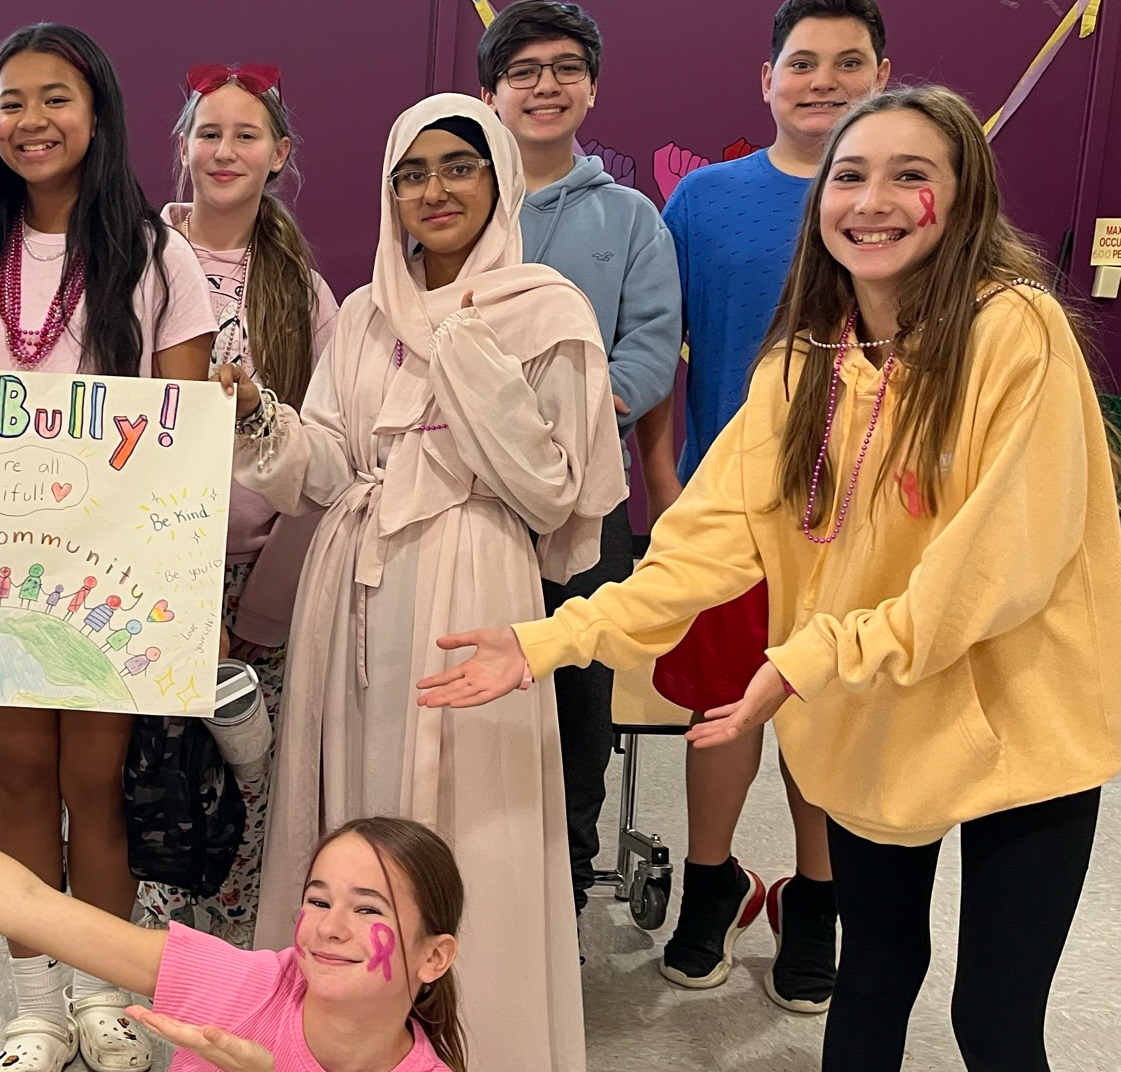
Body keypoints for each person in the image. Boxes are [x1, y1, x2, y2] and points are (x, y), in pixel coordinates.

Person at [417, 85, 1121, 1072]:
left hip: (1019, 714)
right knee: (872, 972)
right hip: (876, 713)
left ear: (961, 200)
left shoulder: (1016, 330)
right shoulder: (799, 370)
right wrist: (546, 639)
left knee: (993, 1020)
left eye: (909, 175)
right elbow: (699, 549)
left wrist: (808, 655)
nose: (871, 200)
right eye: (849, 176)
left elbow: (992, 565)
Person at [215, 93, 622, 1072]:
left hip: (472, 581)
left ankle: (478, 1044)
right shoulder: (360, 313)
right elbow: (324, 464)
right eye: (411, 172)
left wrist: (470, 364)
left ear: (498, 180)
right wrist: (256, 413)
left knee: (467, 821)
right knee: (356, 807)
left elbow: (557, 492)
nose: (432, 191)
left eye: (457, 167)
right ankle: (347, 1039)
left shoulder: (543, 310)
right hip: (351, 590)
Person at [0, 22, 214, 1072]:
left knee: (94, 783)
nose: (31, 120)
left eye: (55, 98)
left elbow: (183, 428)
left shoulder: (152, 251)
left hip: (110, 573)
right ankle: (32, 997)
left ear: (96, 113)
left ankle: (99, 989)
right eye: (11, 102)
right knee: (14, 776)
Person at [0, 728, 470, 1072]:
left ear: (434, 956)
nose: (330, 929)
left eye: (370, 909)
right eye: (317, 900)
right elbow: (27, 903)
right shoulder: (251, 984)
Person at [644, 0, 889, 1012]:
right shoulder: (701, 201)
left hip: (863, 519)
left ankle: (815, 899)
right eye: (801, 62)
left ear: (883, 73)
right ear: (766, 79)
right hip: (727, 515)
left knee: (823, 709)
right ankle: (711, 887)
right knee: (719, 713)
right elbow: (659, 351)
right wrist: (662, 487)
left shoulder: (902, 197)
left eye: (846, 61)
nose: (821, 80)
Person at [475, 0, 682, 927]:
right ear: (491, 92)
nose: (545, 85)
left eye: (564, 68)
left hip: (587, 508)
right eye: (524, 70)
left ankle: (564, 881)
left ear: (591, 88)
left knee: (577, 698)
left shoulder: (631, 216)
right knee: (468, 677)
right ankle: (464, 873)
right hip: (470, 503)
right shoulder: (458, 198)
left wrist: (550, 434)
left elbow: (646, 350)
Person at [135, 61, 339, 949]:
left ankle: (232, 971)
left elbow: (330, 455)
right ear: (182, 147)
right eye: (208, 132)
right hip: (142, 583)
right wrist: (175, 596)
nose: (224, 150)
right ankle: (146, 965)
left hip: (260, 592)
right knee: (147, 781)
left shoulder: (304, 290)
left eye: (246, 134)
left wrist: (262, 606)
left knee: (247, 788)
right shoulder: (132, 262)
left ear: (279, 154)